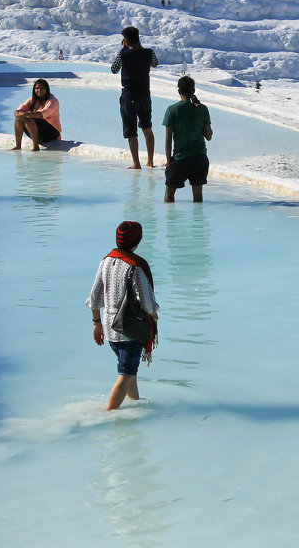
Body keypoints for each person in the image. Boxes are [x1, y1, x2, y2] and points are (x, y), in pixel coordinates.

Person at [87, 221, 158, 411]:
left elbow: (94, 297)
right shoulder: (136, 266)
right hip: (130, 331)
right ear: (138, 241)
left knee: (130, 372)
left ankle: (135, 405)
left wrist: (96, 324)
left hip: (110, 330)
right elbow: (147, 302)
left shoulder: (106, 261)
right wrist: (154, 314)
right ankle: (108, 415)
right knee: (125, 374)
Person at [111, 26, 159, 169]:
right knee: (147, 127)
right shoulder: (149, 53)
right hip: (145, 95)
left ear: (125, 40)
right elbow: (155, 64)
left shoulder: (123, 54)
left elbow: (114, 69)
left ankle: (136, 163)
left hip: (129, 95)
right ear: (138, 38)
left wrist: (124, 50)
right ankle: (150, 161)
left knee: (131, 131)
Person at [162, 76, 213, 203]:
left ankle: (170, 222)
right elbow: (209, 136)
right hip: (200, 159)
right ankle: (197, 221)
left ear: (179, 91)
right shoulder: (202, 109)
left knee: (169, 193)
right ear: (193, 91)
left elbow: (168, 140)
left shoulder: (172, 110)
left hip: (180, 159)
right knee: (198, 195)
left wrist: (169, 162)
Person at [13, 79, 61, 151]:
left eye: (42, 88)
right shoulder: (32, 99)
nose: (39, 90)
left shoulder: (53, 101)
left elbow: (42, 113)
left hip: (52, 134)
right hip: (37, 132)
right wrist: (19, 115)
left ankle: (36, 147)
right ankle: (18, 146)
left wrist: (25, 114)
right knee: (19, 119)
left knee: (29, 118)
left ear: (46, 89)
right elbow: (18, 111)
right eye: (37, 88)